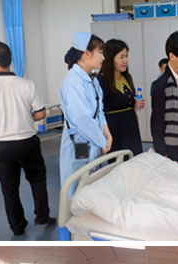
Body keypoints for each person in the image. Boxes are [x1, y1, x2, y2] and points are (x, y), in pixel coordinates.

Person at [0, 41, 53, 236]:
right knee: (37, 179)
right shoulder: (26, 84)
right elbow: (41, 113)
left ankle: (17, 227)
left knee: (9, 187)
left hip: (0, 145)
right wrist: (23, 118)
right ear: (10, 60)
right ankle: (42, 216)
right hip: (27, 141)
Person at [59, 31, 111, 197]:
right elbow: (83, 120)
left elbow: (99, 110)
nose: (103, 57)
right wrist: (102, 141)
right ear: (87, 53)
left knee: (92, 192)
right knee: (75, 193)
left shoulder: (92, 80)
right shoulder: (73, 82)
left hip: (94, 141)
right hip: (79, 145)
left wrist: (107, 133)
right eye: (100, 52)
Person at [151, 31, 178, 163]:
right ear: (172, 56)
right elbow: (156, 120)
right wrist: (160, 149)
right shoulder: (162, 83)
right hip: (169, 139)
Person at [99, 39, 144, 156]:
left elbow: (126, 101)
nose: (125, 61)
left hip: (131, 127)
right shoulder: (102, 81)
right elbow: (99, 110)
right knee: (118, 162)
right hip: (115, 130)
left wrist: (136, 103)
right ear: (110, 59)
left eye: (126, 56)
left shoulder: (127, 77)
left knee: (135, 159)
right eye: (121, 57)